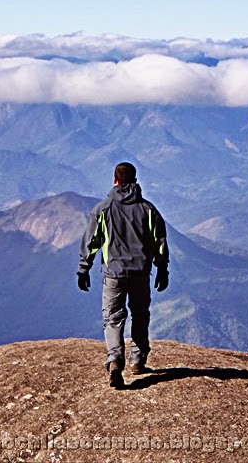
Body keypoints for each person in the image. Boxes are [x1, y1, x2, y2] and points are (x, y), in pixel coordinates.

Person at [77, 162, 169, 387]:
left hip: (114, 274)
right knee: (140, 314)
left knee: (113, 317)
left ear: (115, 181)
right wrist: (162, 269)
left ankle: (115, 360)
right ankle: (137, 359)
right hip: (140, 273)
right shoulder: (148, 210)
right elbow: (159, 243)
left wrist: (83, 268)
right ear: (135, 181)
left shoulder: (103, 209)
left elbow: (92, 242)